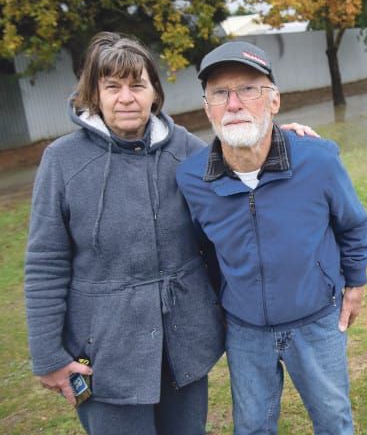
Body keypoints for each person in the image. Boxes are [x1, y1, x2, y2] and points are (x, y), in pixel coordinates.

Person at [24, 32, 315, 434]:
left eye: (137, 85)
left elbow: (243, 170)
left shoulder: (189, 152)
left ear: (154, 92)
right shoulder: (62, 161)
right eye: (112, 86)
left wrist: (279, 137)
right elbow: (45, 263)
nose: (126, 97)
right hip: (107, 349)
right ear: (94, 93)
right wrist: (47, 356)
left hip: (184, 344)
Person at [176, 41, 367, 435]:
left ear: (274, 100)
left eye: (249, 89)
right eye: (220, 92)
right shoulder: (192, 178)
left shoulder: (318, 160)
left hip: (316, 319)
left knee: (334, 420)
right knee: (251, 426)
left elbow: (352, 224)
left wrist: (355, 282)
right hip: (245, 329)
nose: (234, 103)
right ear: (206, 107)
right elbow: (204, 249)